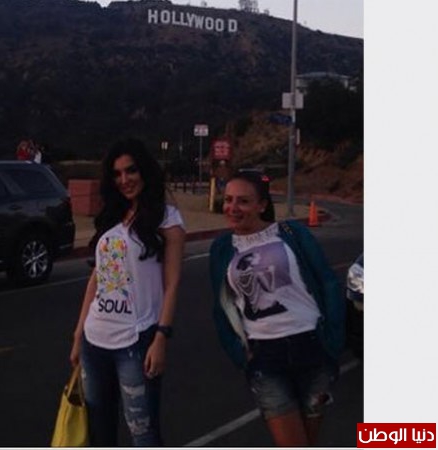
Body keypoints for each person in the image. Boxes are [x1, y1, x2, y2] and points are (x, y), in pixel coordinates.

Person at [208, 170, 345, 447]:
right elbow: (222, 305)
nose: (233, 208)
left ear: (262, 205)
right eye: (229, 200)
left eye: (243, 201)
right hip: (264, 357)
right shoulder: (221, 248)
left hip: (312, 347)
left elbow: (327, 282)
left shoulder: (293, 234)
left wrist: (334, 339)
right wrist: (239, 353)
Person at [69, 138, 186, 446]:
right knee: (99, 435)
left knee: (144, 435)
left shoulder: (167, 219)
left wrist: (161, 337)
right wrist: (79, 333)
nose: (124, 180)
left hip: (135, 342)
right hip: (95, 341)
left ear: (145, 170)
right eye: (117, 174)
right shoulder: (112, 218)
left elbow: (173, 283)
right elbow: (97, 278)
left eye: (131, 170)